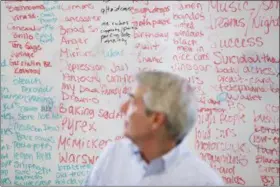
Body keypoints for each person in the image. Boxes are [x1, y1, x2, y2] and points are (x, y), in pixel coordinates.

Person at [83, 71, 224, 186]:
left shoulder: (203, 182)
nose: (122, 108)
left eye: (132, 102)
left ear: (156, 119)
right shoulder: (113, 155)